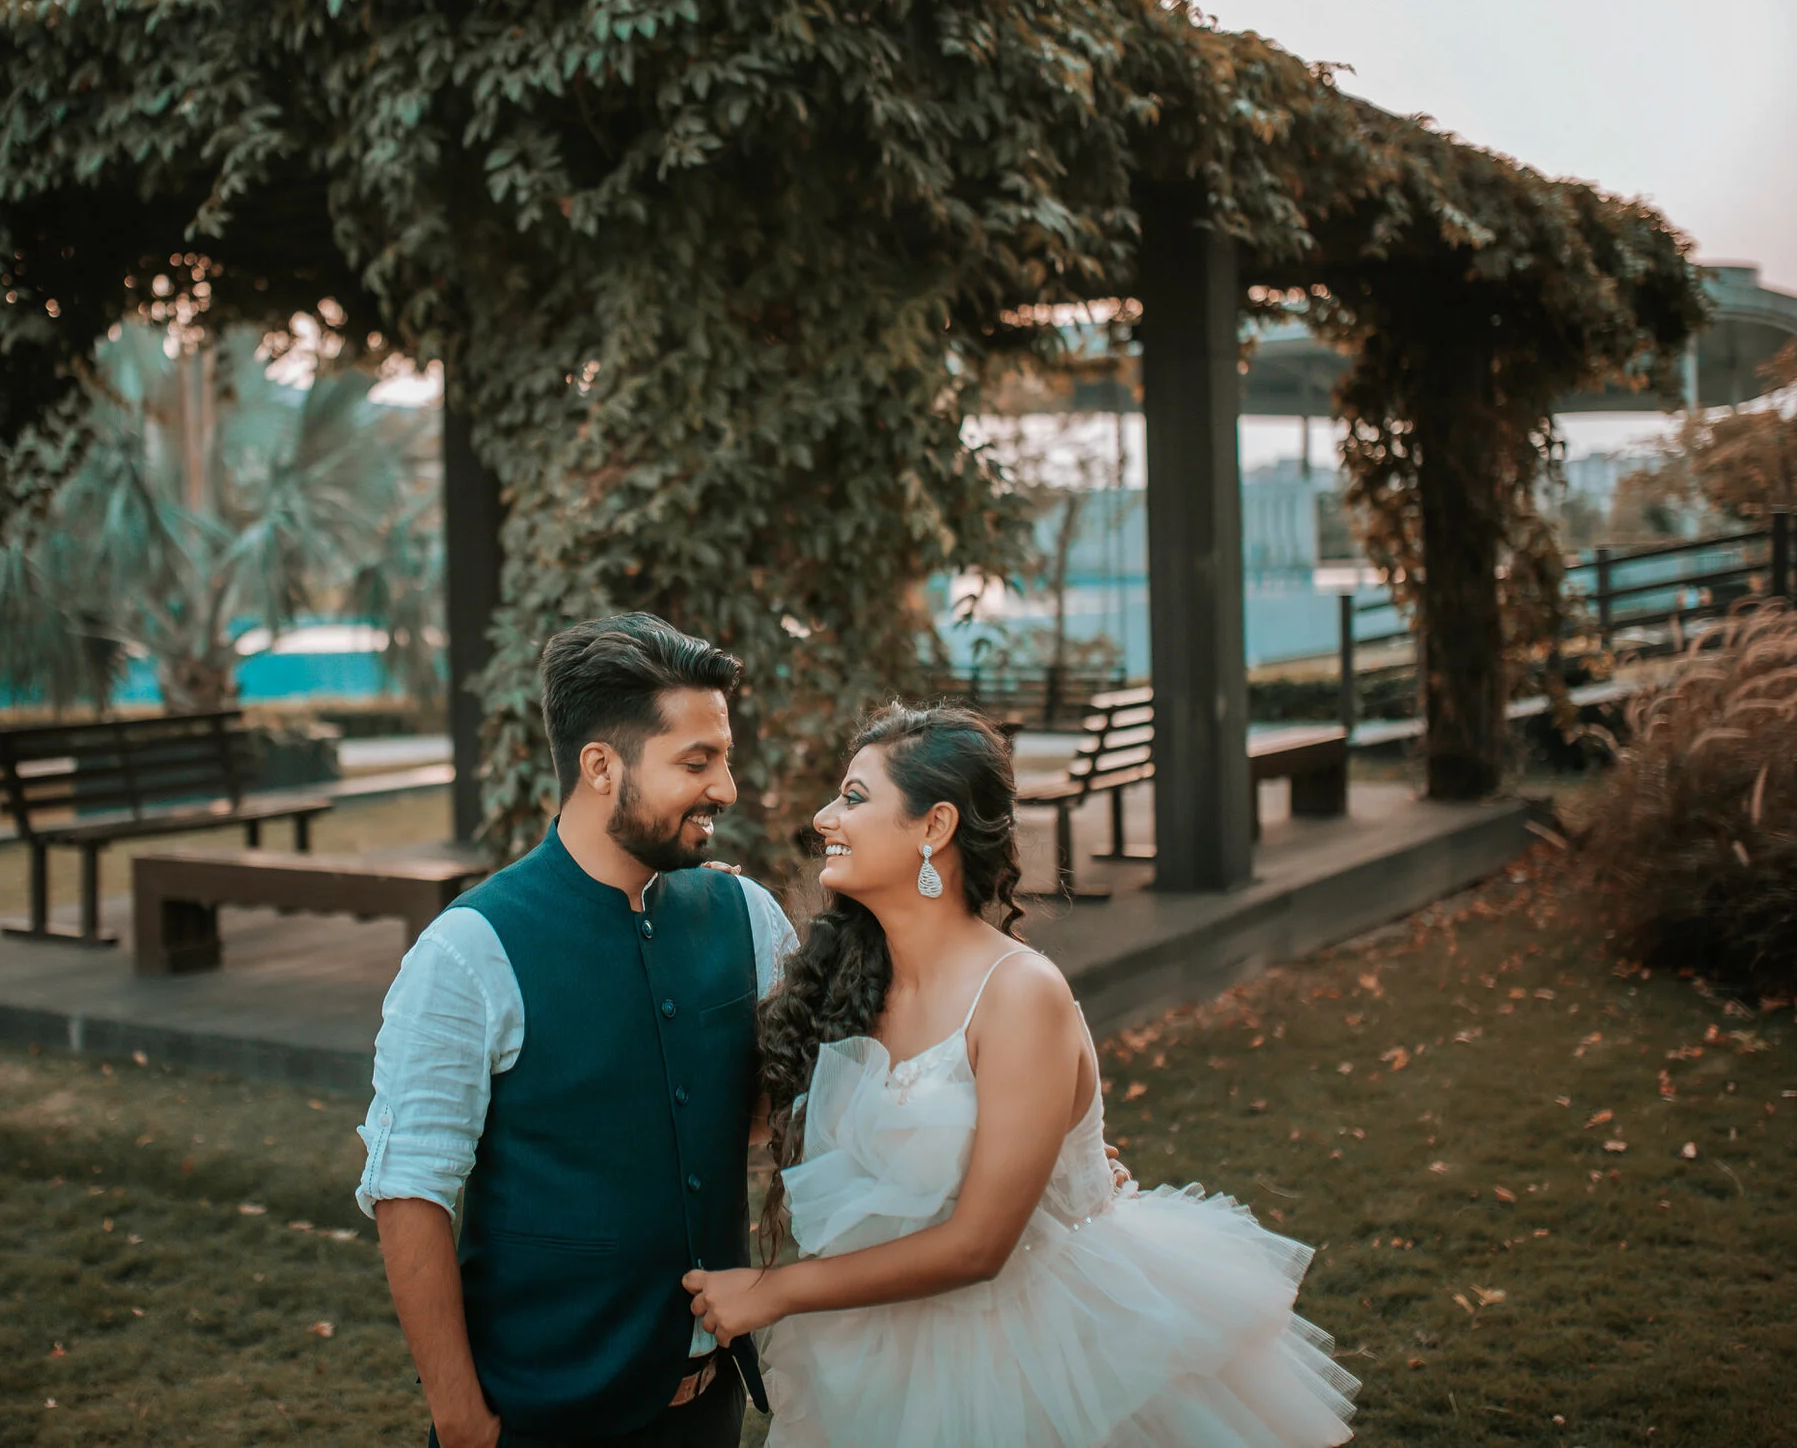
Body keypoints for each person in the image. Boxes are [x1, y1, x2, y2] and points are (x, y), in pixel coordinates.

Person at [682, 703, 1360, 1447]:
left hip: (1035, 1355)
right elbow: (746, 1122)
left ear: (934, 828)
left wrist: (771, 1291)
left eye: (853, 796)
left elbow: (980, 1244)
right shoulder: (848, 985)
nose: (823, 817)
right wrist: (692, 919)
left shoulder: (1018, 993)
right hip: (878, 1349)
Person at [359, 613, 797, 1448]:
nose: (727, 787)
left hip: (710, 1410)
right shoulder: (467, 950)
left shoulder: (749, 916)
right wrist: (459, 1418)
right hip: (536, 1421)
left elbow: (789, 1113)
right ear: (601, 766)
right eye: (697, 761)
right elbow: (410, 1188)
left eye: (725, 757)